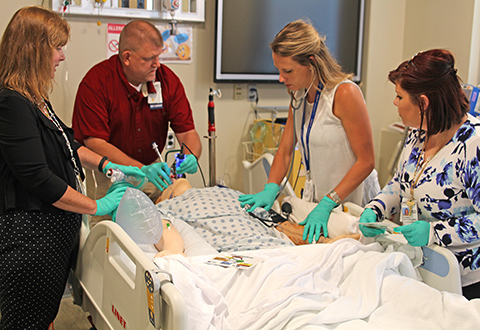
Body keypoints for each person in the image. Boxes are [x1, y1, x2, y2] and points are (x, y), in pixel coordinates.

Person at [0, 6, 147, 329]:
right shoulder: (12, 104)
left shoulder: (36, 100)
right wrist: (97, 205)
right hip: (31, 244)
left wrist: (110, 165)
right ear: (34, 50)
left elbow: (69, 144)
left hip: (50, 242)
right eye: (57, 47)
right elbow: (39, 179)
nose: (62, 57)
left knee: (41, 319)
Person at [239, 20, 376, 243]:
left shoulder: (344, 94)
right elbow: (285, 151)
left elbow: (366, 161)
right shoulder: (299, 96)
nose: (281, 78)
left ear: (311, 62)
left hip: (350, 204)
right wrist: (270, 187)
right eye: (278, 70)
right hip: (319, 202)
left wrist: (328, 202)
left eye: (288, 71)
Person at [359, 49, 480, 300]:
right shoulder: (419, 132)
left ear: (423, 103)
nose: (395, 102)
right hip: (423, 266)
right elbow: (401, 182)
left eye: (399, 96)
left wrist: (435, 232)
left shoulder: (473, 145)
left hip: (464, 281)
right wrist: (377, 207)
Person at [72, 19, 202, 225]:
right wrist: (140, 169)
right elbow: (95, 143)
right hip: (109, 173)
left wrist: (191, 155)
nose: (157, 64)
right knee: (108, 234)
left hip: (152, 171)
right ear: (127, 57)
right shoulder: (96, 83)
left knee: (166, 224)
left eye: (158, 56)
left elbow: (188, 133)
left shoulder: (167, 81)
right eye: (149, 58)